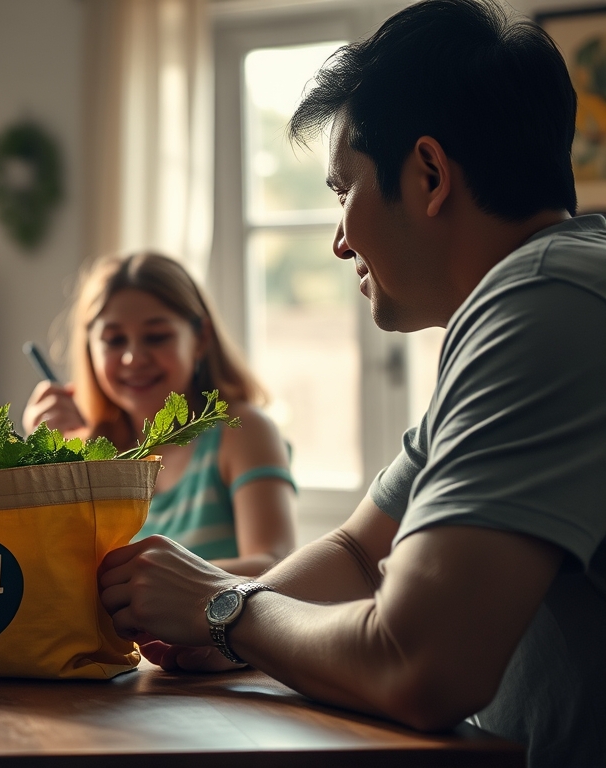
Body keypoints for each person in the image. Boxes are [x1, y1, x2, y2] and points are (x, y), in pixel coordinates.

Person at [96, 2, 605, 765]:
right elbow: (360, 550)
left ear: (429, 174)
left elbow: (419, 662)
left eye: (343, 191)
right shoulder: (545, 287)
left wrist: (225, 608)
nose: (338, 241)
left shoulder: (545, 304)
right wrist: (227, 635)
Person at [22, 253, 295, 576]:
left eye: (156, 337)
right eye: (114, 340)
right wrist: (37, 462)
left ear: (200, 339)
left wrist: (153, 580)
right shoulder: (84, 451)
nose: (133, 357)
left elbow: (277, 566)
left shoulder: (241, 430)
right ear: (89, 349)